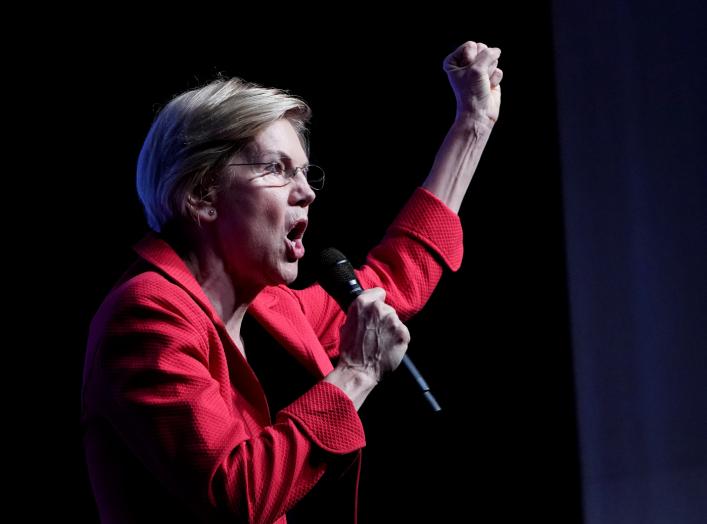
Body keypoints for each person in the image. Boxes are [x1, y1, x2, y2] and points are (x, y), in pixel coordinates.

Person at [82, 40, 502, 523]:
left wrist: (472, 125)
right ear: (201, 194)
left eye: (305, 173)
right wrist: (356, 373)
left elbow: (390, 280)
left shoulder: (270, 306)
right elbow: (235, 496)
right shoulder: (145, 316)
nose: (306, 193)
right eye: (276, 170)